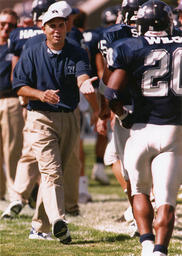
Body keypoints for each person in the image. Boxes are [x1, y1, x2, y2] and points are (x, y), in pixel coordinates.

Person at [12, 2, 99, 243]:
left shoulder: (77, 52)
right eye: (52, 26)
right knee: (51, 172)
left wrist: (86, 85)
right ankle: (59, 220)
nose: (57, 30)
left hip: (69, 117)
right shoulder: (31, 51)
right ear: (44, 28)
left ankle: (39, 228)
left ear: (66, 27)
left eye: (61, 25)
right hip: (40, 118)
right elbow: (19, 86)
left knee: (55, 173)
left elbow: (82, 76)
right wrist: (41, 94)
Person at [103, 0, 182, 255]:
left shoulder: (129, 46)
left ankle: (147, 243)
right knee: (167, 201)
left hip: (140, 129)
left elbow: (111, 93)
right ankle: (160, 249)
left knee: (139, 191)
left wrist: (124, 116)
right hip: (174, 130)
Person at [97, 0, 147, 236]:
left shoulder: (115, 37)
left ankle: (142, 225)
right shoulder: (173, 35)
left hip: (128, 108)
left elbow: (109, 83)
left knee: (132, 171)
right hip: (162, 110)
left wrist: (109, 109)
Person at [0, 8, 24, 201]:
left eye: (11, 25)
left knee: (13, 150)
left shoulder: (17, 47)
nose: (6, 28)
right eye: (2, 24)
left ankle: (17, 194)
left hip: (11, 100)